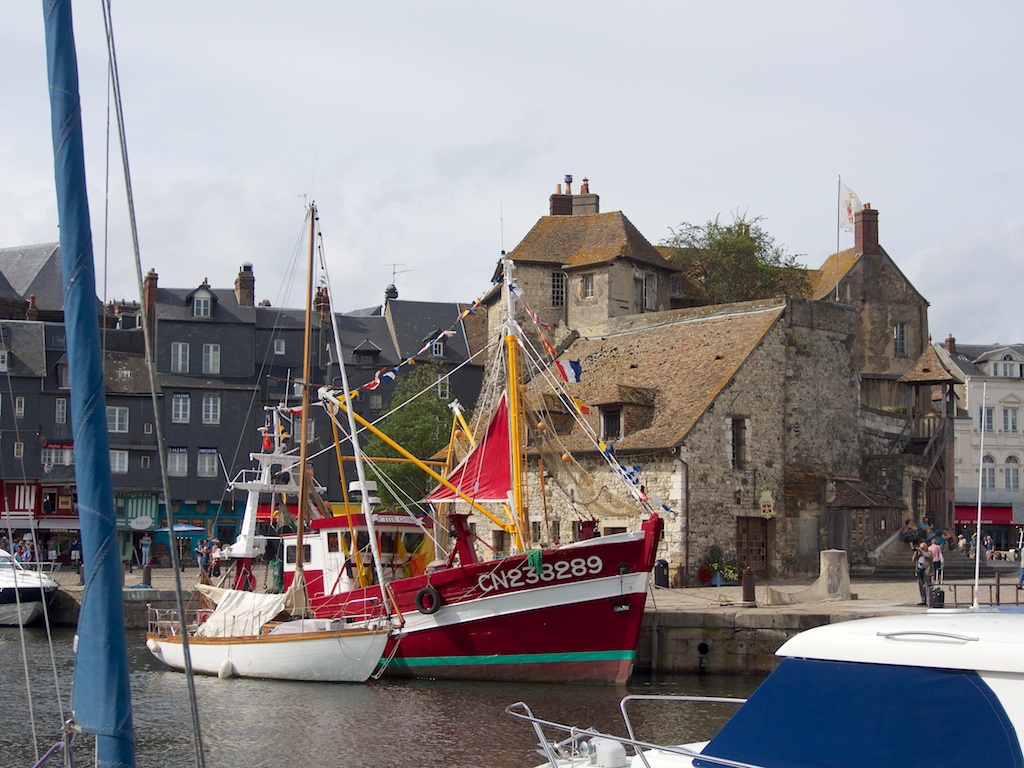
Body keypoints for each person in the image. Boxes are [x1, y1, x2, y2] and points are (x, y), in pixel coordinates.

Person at [914, 541, 934, 606]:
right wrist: (917, 552)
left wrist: (922, 551)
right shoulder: (919, 554)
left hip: (927, 571)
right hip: (920, 570)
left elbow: (928, 556)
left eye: (923, 548)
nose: (921, 549)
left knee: (927, 586)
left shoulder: (929, 552)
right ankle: (923, 599)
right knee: (921, 586)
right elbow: (913, 559)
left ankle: (929, 600)